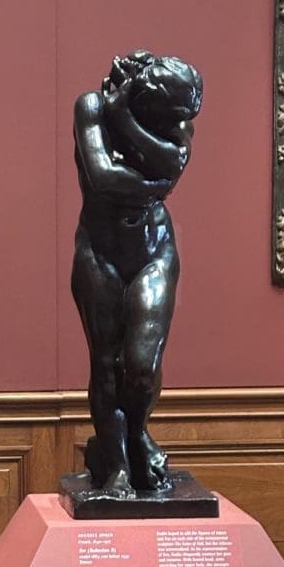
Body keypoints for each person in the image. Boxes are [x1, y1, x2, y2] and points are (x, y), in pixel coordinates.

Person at [71, 50, 202, 495]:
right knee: (107, 364)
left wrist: (123, 114)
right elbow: (104, 176)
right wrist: (154, 186)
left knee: (142, 366)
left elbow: (172, 166)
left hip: (153, 251)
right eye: (173, 114)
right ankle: (116, 464)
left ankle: (137, 433)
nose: (181, 124)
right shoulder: (90, 107)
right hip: (100, 254)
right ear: (150, 99)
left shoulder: (174, 120)